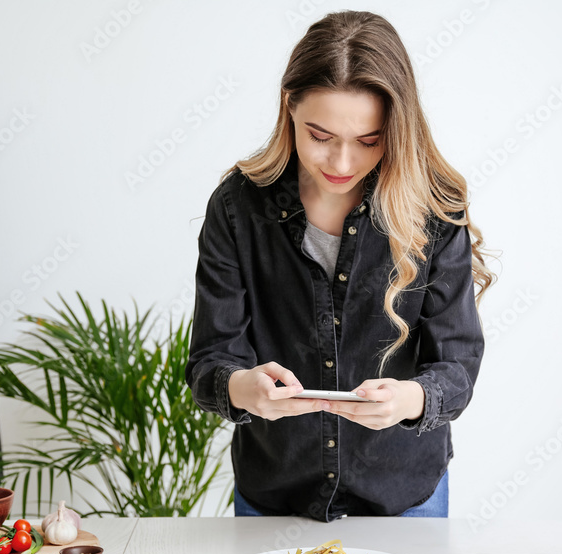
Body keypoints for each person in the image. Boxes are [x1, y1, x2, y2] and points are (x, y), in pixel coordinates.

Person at [185, 10, 495, 521]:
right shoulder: (239, 206)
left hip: (403, 494)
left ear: (396, 127)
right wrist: (245, 390)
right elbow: (210, 359)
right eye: (321, 135)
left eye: (369, 141)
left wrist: (410, 399)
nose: (342, 163)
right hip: (275, 493)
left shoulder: (435, 207)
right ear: (289, 108)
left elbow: (458, 362)